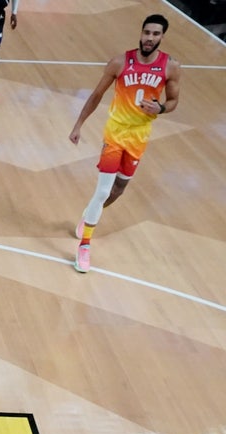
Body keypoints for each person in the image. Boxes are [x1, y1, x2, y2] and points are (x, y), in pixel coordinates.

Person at [68, 14, 181, 273]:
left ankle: (89, 215)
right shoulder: (119, 62)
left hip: (139, 136)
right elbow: (96, 95)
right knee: (102, 191)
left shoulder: (171, 67)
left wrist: (161, 108)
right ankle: (84, 246)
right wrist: (78, 125)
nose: (149, 38)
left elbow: (174, 101)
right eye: (146, 32)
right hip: (115, 133)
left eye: (155, 34)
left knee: (117, 191)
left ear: (162, 37)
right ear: (141, 33)